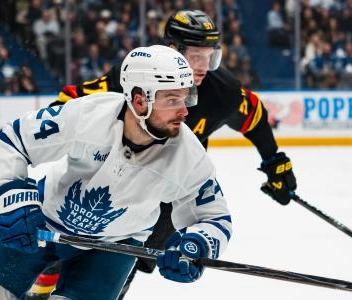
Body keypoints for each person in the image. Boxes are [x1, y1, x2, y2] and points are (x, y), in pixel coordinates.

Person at [31, 9, 297, 299]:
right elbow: (75, 97)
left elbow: (255, 117)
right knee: (73, 241)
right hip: (116, 173)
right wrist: (53, 125)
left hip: (169, 189)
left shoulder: (224, 91)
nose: (204, 66)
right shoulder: (138, 76)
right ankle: (44, 283)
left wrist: (274, 162)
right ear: (174, 50)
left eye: (210, 56)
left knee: (126, 259)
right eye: (196, 56)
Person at [0, 45, 232, 300]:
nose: (184, 112)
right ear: (139, 100)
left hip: (115, 247)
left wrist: (197, 245)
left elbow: (214, 217)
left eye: (186, 98)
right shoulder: (88, 115)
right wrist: (15, 199)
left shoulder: (189, 156)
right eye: (172, 100)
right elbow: (16, 139)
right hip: (43, 222)